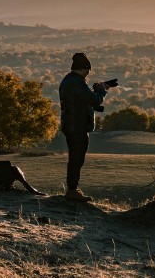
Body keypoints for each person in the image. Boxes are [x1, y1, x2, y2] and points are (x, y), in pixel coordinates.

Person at [58, 52, 108, 202]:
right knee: (77, 158)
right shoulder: (77, 83)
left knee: (76, 158)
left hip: (72, 125)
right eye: (87, 69)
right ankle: (72, 191)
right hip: (77, 127)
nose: (88, 73)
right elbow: (94, 101)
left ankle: (72, 189)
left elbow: (81, 101)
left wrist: (94, 91)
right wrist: (102, 91)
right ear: (82, 68)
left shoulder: (70, 80)